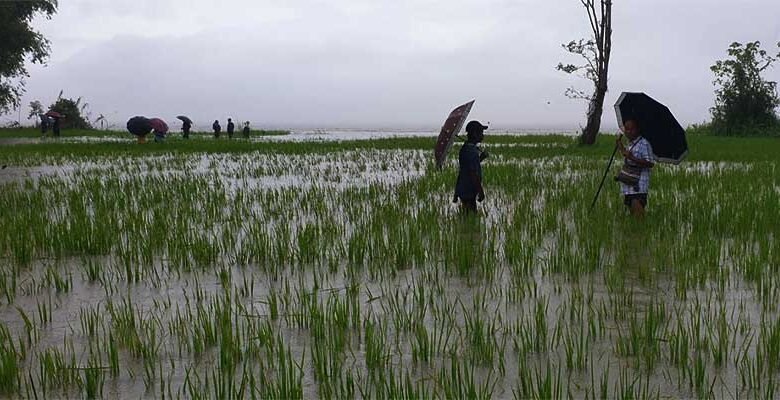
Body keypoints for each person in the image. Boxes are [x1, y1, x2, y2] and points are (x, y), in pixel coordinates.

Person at [616, 119, 655, 217]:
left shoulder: (644, 144)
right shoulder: (632, 143)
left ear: (638, 129)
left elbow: (650, 163)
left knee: (638, 215)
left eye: (631, 129)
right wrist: (621, 148)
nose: (628, 132)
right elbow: (629, 158)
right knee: (632, 214)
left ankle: (642, 231)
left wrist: (631, 157)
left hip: (638, 186)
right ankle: (634, 232)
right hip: (629, 184)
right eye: (626, 129)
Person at [453, 120, 489, 213]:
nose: (482, 135)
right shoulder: (471, 151)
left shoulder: (467, 148)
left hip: (464, 188)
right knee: (470, 215)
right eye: (481, 132)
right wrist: (480, 191)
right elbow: (473, 173)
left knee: (467, 216)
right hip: (468, 190)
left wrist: (480, 158)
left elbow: (468, 166)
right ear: (474, 134)